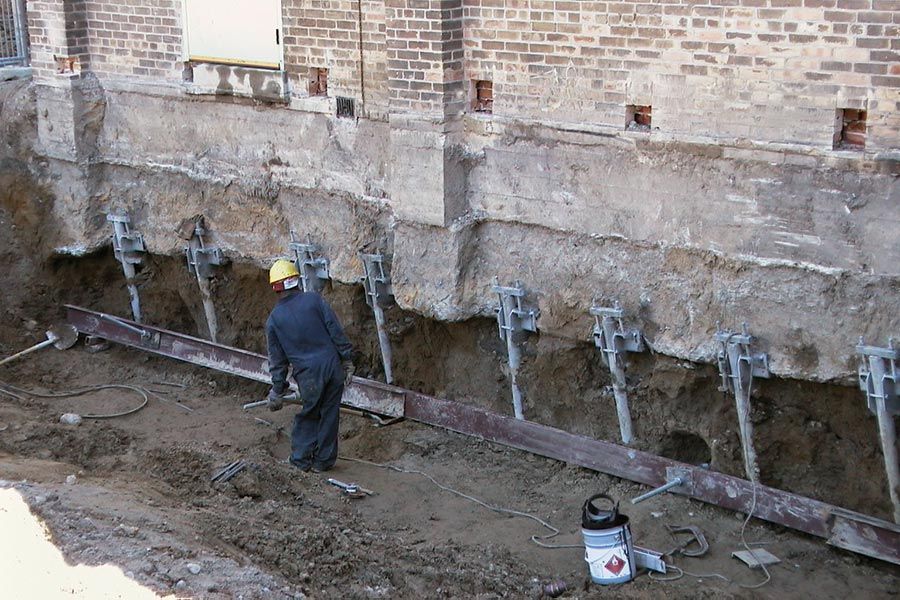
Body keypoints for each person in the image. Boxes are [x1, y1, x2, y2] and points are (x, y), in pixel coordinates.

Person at [265, 259, 354, 472]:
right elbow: (335, 330)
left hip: (309, 375)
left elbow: (278, 361)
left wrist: (278, 390)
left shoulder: (274, 320)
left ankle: (300, 462)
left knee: (310, 415)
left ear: (275, 287)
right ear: (296, 279)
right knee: (330, 414)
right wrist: (347, 359)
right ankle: (323, 462)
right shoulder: (314, 300)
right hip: (332, 367)